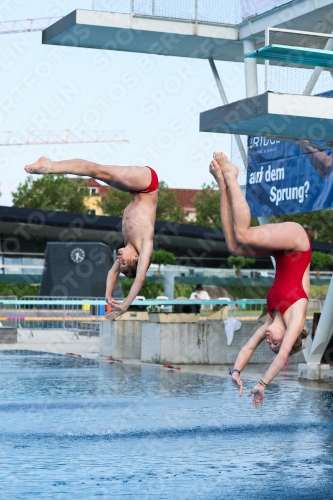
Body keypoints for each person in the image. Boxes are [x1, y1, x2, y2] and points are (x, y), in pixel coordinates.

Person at [210, 152, 311, 408]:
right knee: (243, 233)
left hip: (282, 250)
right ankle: (232, 175)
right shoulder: (295, 318)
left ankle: (223, 183)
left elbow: (246, 348)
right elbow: (283, 356)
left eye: (271, 343)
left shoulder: (271, 316)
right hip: (297, 244)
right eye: (275, 342)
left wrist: (235, 372)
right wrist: (263, 384)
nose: (270, 340)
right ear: (290, 334)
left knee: (234, 244)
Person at [24, 157, 158, 318]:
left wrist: (108, 295)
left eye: (119, 264)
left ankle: (50, 165)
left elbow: (112, 273)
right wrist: (125, 305)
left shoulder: (129, 247)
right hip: (147, 184)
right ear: (137, 258)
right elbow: (140, 277)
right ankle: (49, 166)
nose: (119, 260)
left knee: (96, 172)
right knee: (96, 170)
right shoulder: (144, 245)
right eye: (123, 263)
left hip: (136, 190)